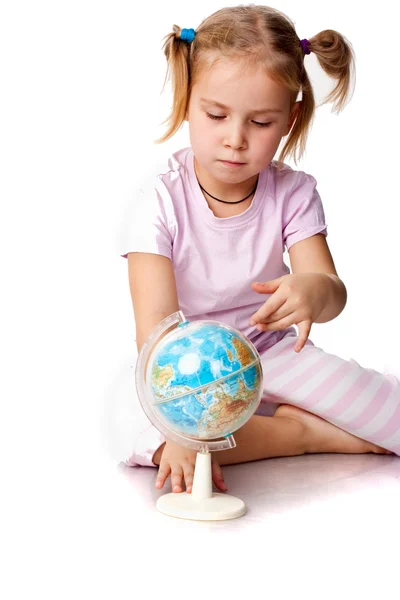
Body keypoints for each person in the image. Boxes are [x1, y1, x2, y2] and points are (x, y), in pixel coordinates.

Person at [118, 4, 399, 495]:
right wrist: (181, 420)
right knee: (131, 429)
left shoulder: (294, 192)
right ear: (188, 99)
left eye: (261, 122)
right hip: (188, 372)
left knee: (393, 411)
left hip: (273, 354)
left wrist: (315, 289)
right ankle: (300, 435)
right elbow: (155, 333)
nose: (235, 139)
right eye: (216, 114)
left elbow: (332, 292)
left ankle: (268, 426)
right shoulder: (156, 199)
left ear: (290, 118)